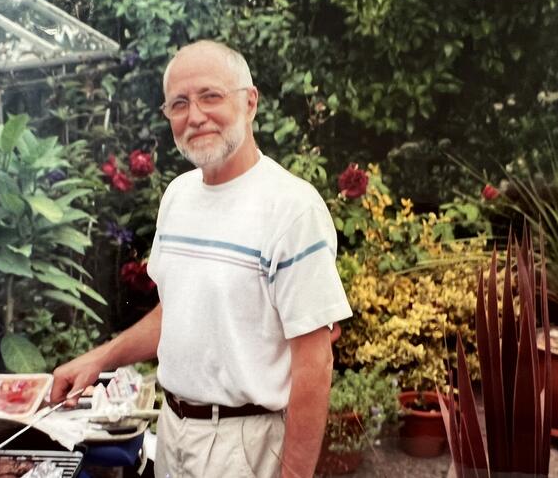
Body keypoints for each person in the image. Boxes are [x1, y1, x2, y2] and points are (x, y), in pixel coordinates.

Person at [51, 40, 352, 478]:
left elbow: (315, 361)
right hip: (171, 433)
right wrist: (99, 358)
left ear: (250, 103)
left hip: (244, 446)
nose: (194, 116)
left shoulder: (291, 209)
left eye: (211, 96)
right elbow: (176, 311)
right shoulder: (178, 196)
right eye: (179, 104)